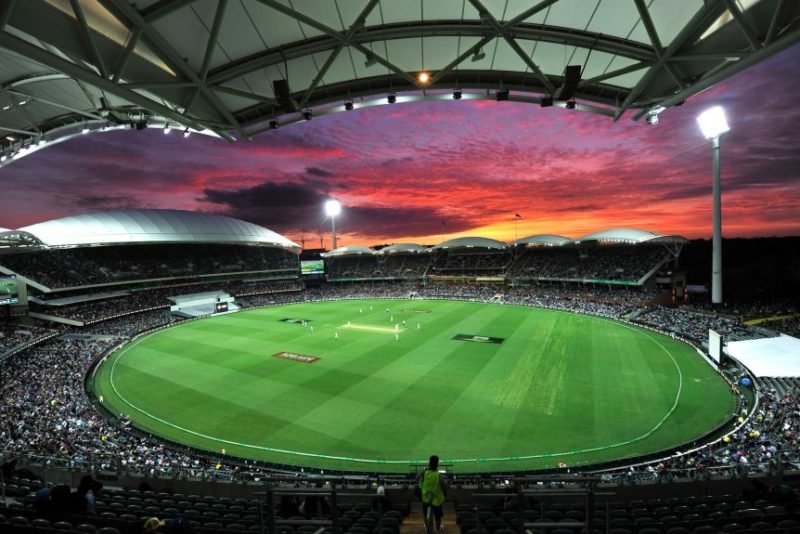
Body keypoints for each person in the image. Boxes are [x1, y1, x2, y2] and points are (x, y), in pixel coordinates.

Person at [418, 455, 447, 533]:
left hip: (425, 498)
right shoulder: (438, 475)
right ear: (437, 464)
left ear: (429, 463)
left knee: (425, 514)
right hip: (436, 501)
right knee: (438, 516)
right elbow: (445, 486)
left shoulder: (424, 472)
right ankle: (437, 529)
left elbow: (416, 478)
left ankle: (427, 528)